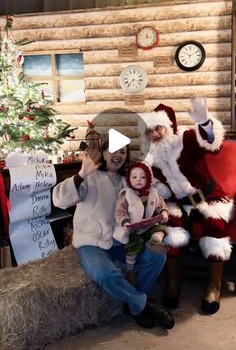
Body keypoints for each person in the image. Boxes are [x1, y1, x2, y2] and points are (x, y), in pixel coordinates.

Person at [52, 140, 174, 330]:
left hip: (121, 240)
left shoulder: (129, 181)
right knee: (104, 274)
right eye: (114, 150)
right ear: (104, 153)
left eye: (123, 152)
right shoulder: (89, 177)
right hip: (91, 242)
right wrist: (82, 173)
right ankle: (141, 304)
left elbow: (149, 200)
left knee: (157, 256)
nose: (118, 155)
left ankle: (133, 305)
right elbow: (60, 200)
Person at [140, 97, 234, 315]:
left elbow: (210, 141)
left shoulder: (186, 140)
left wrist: (203, 122)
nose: (154, 134)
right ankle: (173, 283)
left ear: (170, 127)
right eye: (149, 130)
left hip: (209, 199)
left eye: (159, 128)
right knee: (170, 230)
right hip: (178, 204)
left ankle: (214, 286)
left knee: (214, 232)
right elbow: (150, 185)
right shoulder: (150, 160)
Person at [113, 161, 169, 286]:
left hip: (147, 225)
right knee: (134, 245)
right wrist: (125, 222)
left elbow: (161, 204)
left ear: (149, 179)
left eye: (143, 177)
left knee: (161, 228)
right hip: (132, 228)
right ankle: (130, 270)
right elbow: (119, 211)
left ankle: (154, 241)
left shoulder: (153, 192)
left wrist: (164, 212)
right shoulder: (126, 194)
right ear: (129, 179)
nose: (138, 180)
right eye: (134, 177)